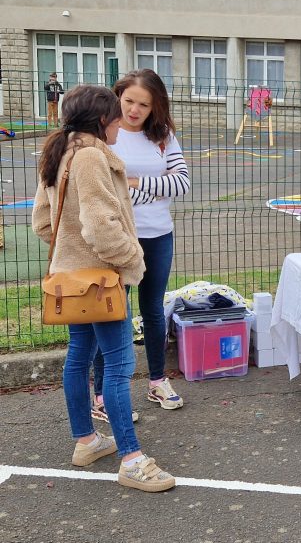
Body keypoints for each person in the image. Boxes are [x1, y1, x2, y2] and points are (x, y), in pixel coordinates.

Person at [32, 85, 175, 491]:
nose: (121, 125)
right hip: (102, 279)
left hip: (70, 280)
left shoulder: (60, 150)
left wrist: (70, 251)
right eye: (116, 117)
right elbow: (100, 225)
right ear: (102, 120)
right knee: (118, 365)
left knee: (79, 357)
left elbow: (42, 221)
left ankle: (87, 441)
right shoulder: (92, 156)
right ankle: (132, 460)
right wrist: (132, 262)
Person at [90, 69, 191, 421]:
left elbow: (181, 184)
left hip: (158, 235)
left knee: (153, 312)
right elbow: (102, 188)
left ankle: (157, 381)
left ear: (155, 107)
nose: (134, 110)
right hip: (117, 239)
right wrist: (152, 186)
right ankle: (102, 394)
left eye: (143, 105)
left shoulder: (163, 136)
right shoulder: (104, 133)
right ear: (118, 97)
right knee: (112, 312)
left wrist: (132, 183)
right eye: (128, 101)